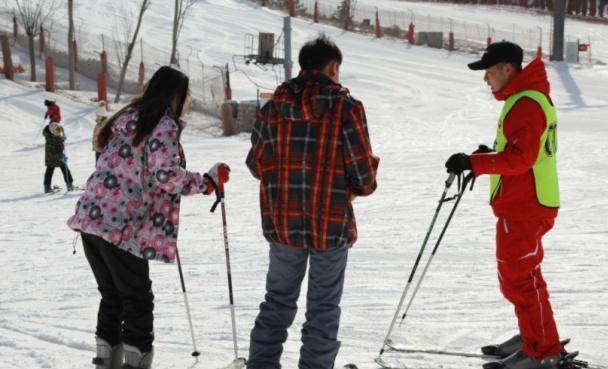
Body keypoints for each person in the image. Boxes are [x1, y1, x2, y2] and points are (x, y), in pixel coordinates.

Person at [67, 66, 230, 369]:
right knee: (137, 299)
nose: (190, 101)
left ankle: (106, 362)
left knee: (113, 296)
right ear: (175, 96)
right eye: (188, 95)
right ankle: (135, 363)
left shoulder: (126, 118)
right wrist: (206, 183)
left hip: (90, 219)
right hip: (120, 227)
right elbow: (166, 175)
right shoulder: (162, 124)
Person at [245, 35, 379, 369]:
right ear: (332, 67)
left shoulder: (273, 107)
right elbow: (363, 178)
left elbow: (255, 164)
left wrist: (285, 178)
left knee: (277, 301)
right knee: (323, 307)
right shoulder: (346, 108)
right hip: (330, 224)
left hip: (283, 222)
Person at [445, 41, 562, 369]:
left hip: (526, 205)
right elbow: (518, 150)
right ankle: (534, 339)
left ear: (508, 69)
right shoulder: (525, 98)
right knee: (521, 276)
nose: (486, 79)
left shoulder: (526, 103)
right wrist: (482, 158)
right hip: (526, 202)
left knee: (518, 278)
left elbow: (521, 159)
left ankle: (542, 351)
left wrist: (475, 162)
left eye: (489, 71)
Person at [43, 119, 74, 193]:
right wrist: (61, 142)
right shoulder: (53, 139)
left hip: (51, 158)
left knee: (50, 171)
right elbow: (57, 149)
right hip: (56, 157)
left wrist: (61, 139)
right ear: (53, 131)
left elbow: (58, 134)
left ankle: (47, 186)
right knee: (64, 169)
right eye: (58, 132)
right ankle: (69, 184)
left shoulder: (51, 136)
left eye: (59, 131)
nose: (59, 133)